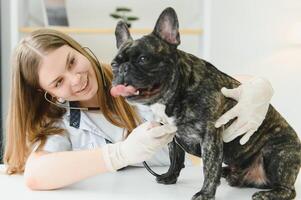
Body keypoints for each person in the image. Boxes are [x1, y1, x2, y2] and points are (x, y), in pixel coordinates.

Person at [3, 28, 274, 190]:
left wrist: (257, 87)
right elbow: (37, 175)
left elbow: (222, 85)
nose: (76, 79)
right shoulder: (59, 122)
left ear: (79, 49)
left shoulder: (143, 77)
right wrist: (119, 154)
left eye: (73, 62)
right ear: (46, 92)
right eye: (58, 81)